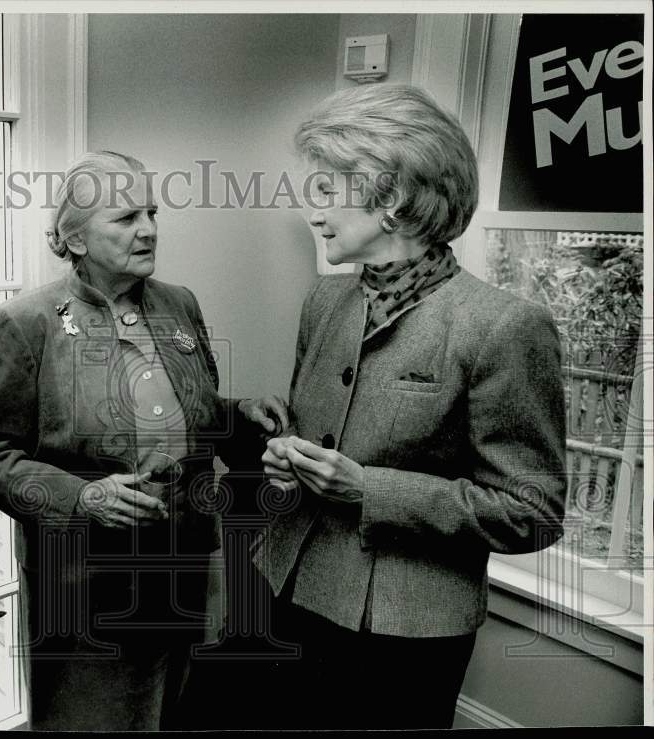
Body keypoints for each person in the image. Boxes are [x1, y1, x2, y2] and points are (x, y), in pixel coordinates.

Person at [258, 84, 567, 730]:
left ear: (391, 197)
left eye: (328, 190)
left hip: (403, 634)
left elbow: (531, 513)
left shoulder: (504, 327)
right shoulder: (324, 301)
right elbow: (313, 420)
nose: (313, 212)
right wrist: (289, 456)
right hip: (285, 593)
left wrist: (367, 489)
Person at [0, 150, 286, 731]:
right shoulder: (27, 322)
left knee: (176, 714)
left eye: (153, 213)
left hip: (183, 570)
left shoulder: (178, 303)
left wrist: (240, 415)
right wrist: (83, 498)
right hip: (84, 587)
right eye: (127, 217)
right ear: (77, 239)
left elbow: (188, 418)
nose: (150, 230)